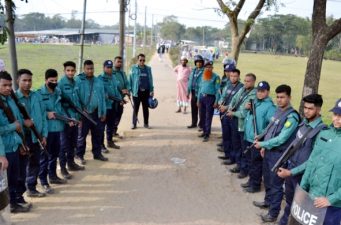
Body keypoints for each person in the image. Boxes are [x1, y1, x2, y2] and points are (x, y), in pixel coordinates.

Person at [280, 98, 341, 225]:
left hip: (332, 205)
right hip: (312, 196)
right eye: (335, 114)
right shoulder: (325, 134)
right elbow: (312, 162)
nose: (337, 119)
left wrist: (331, 199)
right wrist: (302, 189)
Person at [253, 84, 300, 223]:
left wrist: (262, 144)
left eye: (282, 97)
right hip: (269, 151)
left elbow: (282, 139)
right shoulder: (278, 110)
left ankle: (273, 213)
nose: (279, 100)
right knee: (267, 179)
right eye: (277, 97)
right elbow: (269, 128)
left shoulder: (292, 116)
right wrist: (261, 137)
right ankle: (268, 202)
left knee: (276, 185)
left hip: (279, 155)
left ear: (289, 97)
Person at [0, 71, 33, 213]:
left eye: (9, 85)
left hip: (14, 145)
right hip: (4, 149)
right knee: (5, 183)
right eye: (4, 85)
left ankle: (13, 203)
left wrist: (21, 142)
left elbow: (18, 120)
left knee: (14, 178)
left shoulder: (9, 99)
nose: (8, 88)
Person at [16, 69, 48, 198]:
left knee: (35, 162)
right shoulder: (13, 98)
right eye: (24, 80)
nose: (27, 83)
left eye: (29, 80)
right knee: (21, 166)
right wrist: (24, 122)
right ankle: (18, 195)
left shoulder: (37, 96)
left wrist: (44, 135)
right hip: (21, 137)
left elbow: (43, 116)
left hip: (36, 135)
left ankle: (32, 187)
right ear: (18, 81)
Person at [241, 81, 276, 193]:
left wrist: (262, 137)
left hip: (258, 139)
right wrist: (246, 108)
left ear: (267, 92)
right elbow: (248, 117)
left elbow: (270, 126)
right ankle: (251, 181)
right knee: (251, 161)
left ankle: (255, 185)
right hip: (249, 137)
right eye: (258, 91)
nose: (260, 93)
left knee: (256, 163)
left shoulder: (270, 107)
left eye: (262, 91)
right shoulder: (254, 102)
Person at [38, 69, 70, 190]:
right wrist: (47, 114)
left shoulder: (58, 92)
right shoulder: (39, 94)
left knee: (54, 155)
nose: (54, 82)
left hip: (58, 128)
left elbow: (60, 110)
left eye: (56, 80)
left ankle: (53, 176)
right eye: (51, 81)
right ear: (46, 80)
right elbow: (36, 112)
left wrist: (68, 120)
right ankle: (43, 181)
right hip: (46, 130)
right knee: (44, 157)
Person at [75, 60, 107, 163]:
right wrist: (80, 111)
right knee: (81, 136)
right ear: (84, 69)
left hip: (96, 113)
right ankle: (80, 155)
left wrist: (103, 112)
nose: (90, 71)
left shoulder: (98, 81)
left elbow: (102, 98)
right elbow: (75, 98)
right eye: (88, 69)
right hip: (83, 114)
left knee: (97, 134)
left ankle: (97, 154)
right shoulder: (78, 81)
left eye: (91, 68)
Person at [226, 73, 257, 178]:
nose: (246, 83)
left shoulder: (254, 94)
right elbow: (234, 99)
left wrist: (233, 113)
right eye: (245, 80)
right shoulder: (243, 89)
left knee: (244, 148)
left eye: (248, 81)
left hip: (243, 124)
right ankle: (239, 165)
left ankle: (245, 169)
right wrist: (230, 108)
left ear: (253, 82)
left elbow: (244, 113)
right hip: (235, 120)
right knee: (236, 145)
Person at [58, 61, 85, 180]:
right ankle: (63, 168)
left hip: (75, 117)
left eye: (72, 70)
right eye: (68, 70)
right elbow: (59, 105)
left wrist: (79, 117)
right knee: (64, 145)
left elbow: (77, 100)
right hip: (66, 120)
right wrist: (67, 118)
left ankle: (71, 163)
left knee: (73, 142)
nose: (70, 72)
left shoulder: (76, 82)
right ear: (64, 71)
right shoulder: (60, 84)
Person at [218, 68, 244, 162]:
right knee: (226, 135)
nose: (233, 78)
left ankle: (233, 158)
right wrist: (220, 103)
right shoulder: (228, 85)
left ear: (239, 77)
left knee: (233, 138)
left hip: (233, 116)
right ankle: (227, 154)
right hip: (225, 114)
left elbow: (239, 103)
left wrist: (226, 107)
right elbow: (223, 96)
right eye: (231, 76)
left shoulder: (241, 88)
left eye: (235, 76)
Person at [99, 60, 122, 150]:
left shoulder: (113, 77)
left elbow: (117, 90)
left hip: (113, 105)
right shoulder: (100, 78)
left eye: (110, 67)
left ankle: (110, 141)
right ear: (104, 68)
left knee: (111, 125)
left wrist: (120, 99)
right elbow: (102, 94)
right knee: (101, 127)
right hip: (105, 107)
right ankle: (101, 145)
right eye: (107, 67)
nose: (109, 69)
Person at [128, 53, 154, 129]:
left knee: (145, 108)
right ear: (138, 60)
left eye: (143, 60)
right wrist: (129, 90)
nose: (142, 62)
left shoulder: (148, 69)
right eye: (140, 60)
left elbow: (151, 80)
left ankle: (146, 123)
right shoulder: (133, 68)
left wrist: (152, 90)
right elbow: (130, 79)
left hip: (146, 92)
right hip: (137, 92)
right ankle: (134, 123)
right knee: (136, 108)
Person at [197, 61, 220, 142]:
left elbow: (218, 90)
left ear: (212, 68)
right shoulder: (202, 76)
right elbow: (200, 88)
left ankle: (207, 133)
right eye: (206, 67)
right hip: (202, 98)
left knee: (208, 116)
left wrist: (216, 101)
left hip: (210, 99)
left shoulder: (216, 77)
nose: (208, 68)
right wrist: (198, 100)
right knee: (202, 116)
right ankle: (204, 131)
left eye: (210, 67)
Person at [112, 56, 129, 137]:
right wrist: (120, 90)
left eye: (121, 62)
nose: (119, 63)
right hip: (113, 98)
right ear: (114, 62)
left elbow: (126, 82)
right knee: (113, 115)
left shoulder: (122, 73)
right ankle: (110, 133)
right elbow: (113, 85)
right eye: (118, 61)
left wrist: (127, 90)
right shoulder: (111, 73)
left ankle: (114, 130)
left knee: (119, 114)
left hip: (121, 98)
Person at [187, 55, 204, 129]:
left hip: (200, 92)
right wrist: (188, 91)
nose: (199, 64)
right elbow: (189, 81)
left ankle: (201, 125)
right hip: (193, 92)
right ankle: (193, 123)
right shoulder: (193, 71)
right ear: (195, 63)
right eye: (197, 62)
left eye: (200, 62)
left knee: (200, 109)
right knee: (193, 108)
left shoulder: (204, 71)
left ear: (202, 63)